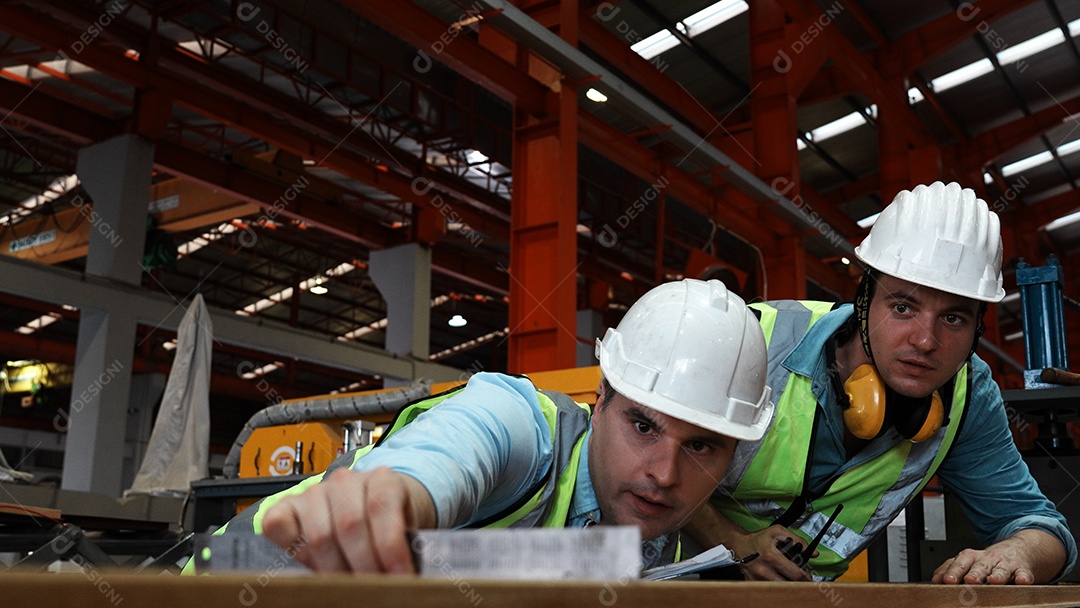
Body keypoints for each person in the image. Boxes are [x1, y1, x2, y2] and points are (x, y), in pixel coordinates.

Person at [183, 278, 773, 574]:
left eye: (700, 446)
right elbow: (455, 451)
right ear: (599, 402)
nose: (664, 474)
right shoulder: (520, 425)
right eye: (642, 426)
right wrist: (399, 494)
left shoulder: (649, 530)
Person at [686, 181, 1076, 584]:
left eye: (954, 318)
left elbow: (1041, 526)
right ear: (865, 298)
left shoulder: (969, 396)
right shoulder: (754, 341)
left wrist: (1019, 550)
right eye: (903, 306)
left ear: (979, 327)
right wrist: (733, 541)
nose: (925, 341)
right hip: (656, 588)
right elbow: (639, 462)